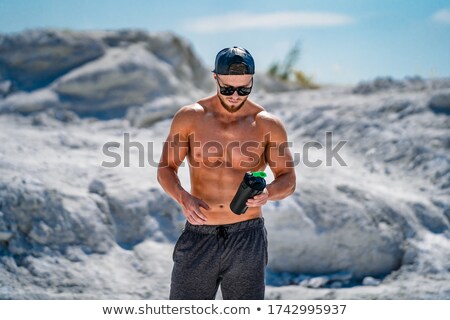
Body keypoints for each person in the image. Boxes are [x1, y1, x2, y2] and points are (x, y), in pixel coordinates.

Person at [157, 46, 296, 300]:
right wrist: (183, 197)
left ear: (252, 80)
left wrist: (268, 192)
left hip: (247, 236)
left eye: (243, 89)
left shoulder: (267, 124)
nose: (235, 95)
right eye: (227, 88)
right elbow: (166, 168)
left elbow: (288, 179)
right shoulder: (190, 117)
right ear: (215, 79)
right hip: (200, 235)